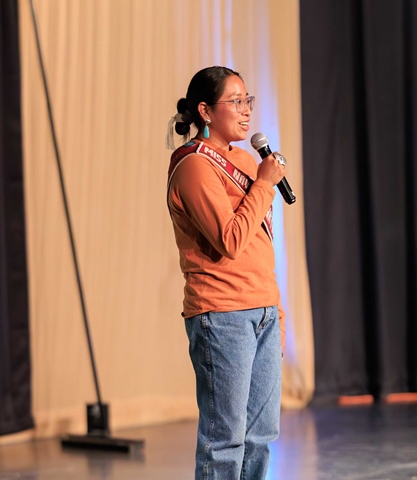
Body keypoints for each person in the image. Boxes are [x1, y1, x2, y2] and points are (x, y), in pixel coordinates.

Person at [166, 66, 286, 480]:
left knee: (260, 436)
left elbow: (258, 245)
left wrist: (274, 307)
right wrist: (264, 184)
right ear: (205, 111)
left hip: (261, 308)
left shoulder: (246, 159)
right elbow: (230, 240)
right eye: (235, 102)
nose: (246, 110)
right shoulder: (194, 165)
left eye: (247, 100)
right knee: (225, 441)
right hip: (222, 315)